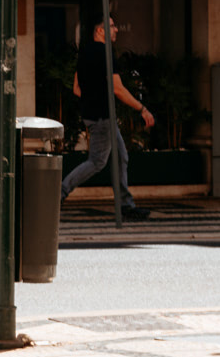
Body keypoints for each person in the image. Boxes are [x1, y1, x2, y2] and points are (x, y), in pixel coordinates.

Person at [61, 13, 155, 220]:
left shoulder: (85, 53)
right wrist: (142, 109)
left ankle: (126, 205)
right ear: (100, 30)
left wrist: (93, 97)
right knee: (97, 162)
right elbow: (118, 89)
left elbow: (77, 88)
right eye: (111, 26)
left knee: (121, 157)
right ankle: (59, 192)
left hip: (94, 114)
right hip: (103, 116)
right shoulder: (106, 53)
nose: (116, 29)